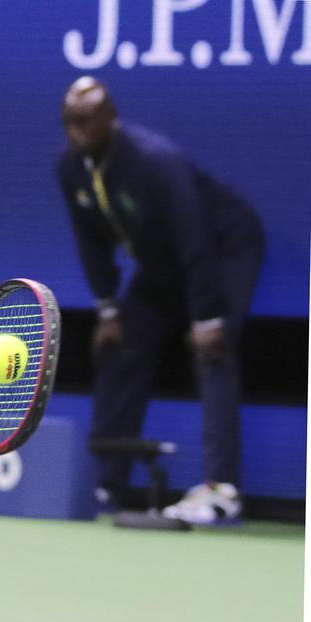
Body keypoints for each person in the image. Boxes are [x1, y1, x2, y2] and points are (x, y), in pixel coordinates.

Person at [56, 76, 264, 526]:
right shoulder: (71, 168)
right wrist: (108, 307)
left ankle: (221, 491)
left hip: (223, 249)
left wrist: (208, 316)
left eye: (85, 123)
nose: (76, 133)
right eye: (69, 124)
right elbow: (90, 243)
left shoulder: (155, 160)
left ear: (110, 119)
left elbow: (194, 240)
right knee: (121, 345)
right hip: (163, 265)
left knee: (215, 353)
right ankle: (104, 481)